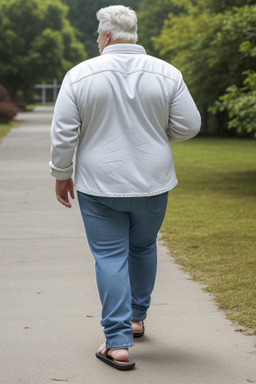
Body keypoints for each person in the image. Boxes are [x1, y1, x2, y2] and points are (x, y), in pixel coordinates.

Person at [49, 5, 201, 371]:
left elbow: (64, 133)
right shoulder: (167, 73)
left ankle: (117, 343)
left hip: (99, 185)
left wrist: (61, 173)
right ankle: (135, 319)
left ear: (104, 37)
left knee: (109, 256)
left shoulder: (80, 75)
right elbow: (190, 125)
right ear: (133, 35)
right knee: (143, 246)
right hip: (152, 183)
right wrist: (157, 136)